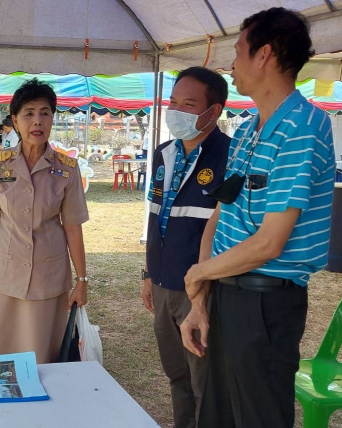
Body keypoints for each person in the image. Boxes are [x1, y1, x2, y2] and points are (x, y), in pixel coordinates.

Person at [179, 8, 335, 428]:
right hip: (226, 294)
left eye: (238, 51)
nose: (231, 64)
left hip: (265, 304)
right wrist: (200, 298)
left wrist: (198, 273)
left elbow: (269, 243)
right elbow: (220, 214)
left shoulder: (303, 126)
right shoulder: (248, 130)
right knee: (218, 416)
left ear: (264, 55)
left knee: (257, 417)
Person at [0, 78, 89, 364]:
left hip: (48, 277)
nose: (37, 121)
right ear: (15, 120)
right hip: (3, 276)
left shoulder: (66, 169)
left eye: (45, 113)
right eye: (28, 113)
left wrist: (82, 280)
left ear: (52, 118)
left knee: (40, 358)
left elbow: (72, 227)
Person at [141, 67, 231, 428]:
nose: (176, 111)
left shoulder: (230, 156)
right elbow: (155, 215)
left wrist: (201, 293)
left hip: (202, 288)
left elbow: (224, 230)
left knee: (204, 379)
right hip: (164, 282)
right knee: (176, 374)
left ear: (214, 111)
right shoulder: (164, 153)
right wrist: (149, 273)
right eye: (173, 102)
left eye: (188, 105)